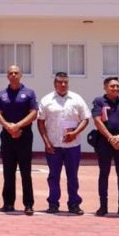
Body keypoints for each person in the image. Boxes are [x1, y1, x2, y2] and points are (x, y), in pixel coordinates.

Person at [38, 72, 90, 215]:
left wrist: (75, 133)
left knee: (72, 176)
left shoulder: (77, 99)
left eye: (65, 82)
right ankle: (53, 204)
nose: (63, 85)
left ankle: (74, 204)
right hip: (53, 146)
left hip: (72, 146)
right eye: (60, 82)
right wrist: (46, 142)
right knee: (53, 176)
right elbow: (40, 122)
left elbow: (85, 119)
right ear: (54, 83)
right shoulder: (47, 100)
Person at [0, 65, 38, 216]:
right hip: (7, 136)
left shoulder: (29, 93)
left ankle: (28, 204)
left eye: (16, 73)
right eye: (10, 73)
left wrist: (18, 126)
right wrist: (8, 127)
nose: (13, 75)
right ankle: (8, 203)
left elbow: (34, 113)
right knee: (8, 171)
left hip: (24, 136)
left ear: (21, 75)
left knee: (26, 172)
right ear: (7, 76)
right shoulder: (1, 94)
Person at [91, 77, 119, 217]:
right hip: (104, 142)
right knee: (104, 174)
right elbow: (97, 121)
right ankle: (103, 207)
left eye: (117, 86)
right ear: (105, 87)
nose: (116, 88)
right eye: (112, 86)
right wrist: (110, 138)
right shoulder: (99, 101)